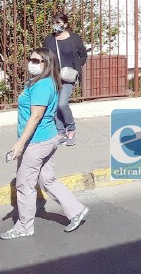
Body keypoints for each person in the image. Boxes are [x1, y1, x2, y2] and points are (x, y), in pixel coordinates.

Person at [1, 48, 88, 240]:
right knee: (47, 180)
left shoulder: (41, 86)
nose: (30, 63)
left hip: (36, 142)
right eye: (29, 58)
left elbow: (36, 116)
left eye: (35, 60)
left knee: (24, 184)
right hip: (48, 139)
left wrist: (20, 143)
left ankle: (24, 226)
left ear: (46, 64)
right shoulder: (40, 81)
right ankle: (76, 210)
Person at [43, 13, 88, 146]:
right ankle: (60, 132)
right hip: (53, 76)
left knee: (62, 104)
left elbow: (83, 54)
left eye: (59, 22)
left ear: (65, 24)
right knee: (55, 105)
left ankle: (71, 129)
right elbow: (44, 55)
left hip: (68, 76)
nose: (56, 25)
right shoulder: (49, 39)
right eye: (54, 22)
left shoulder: (74, 38)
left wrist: (77, 67)